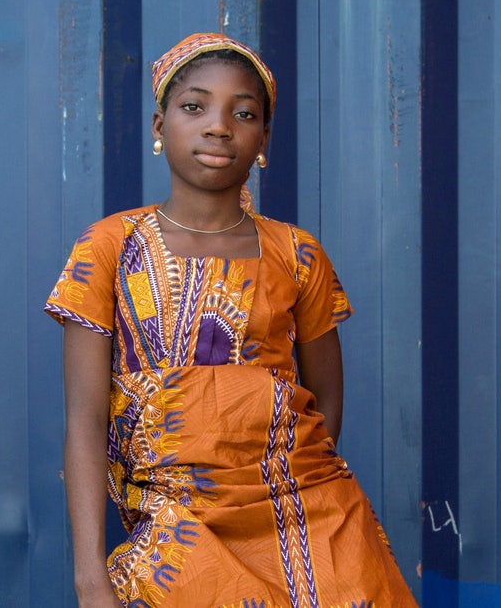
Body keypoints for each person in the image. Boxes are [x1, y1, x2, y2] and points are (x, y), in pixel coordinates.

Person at [46, 32, 418, 608]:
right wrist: (90, 580)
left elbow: (324, 403)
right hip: (180, 530)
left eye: (243, 113)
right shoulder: (109, 247)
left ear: (263, 137)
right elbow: (86, 421)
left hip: (311, 516)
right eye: (194, 107)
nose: (219, 126)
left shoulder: (298, 253)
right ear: (158, 125)